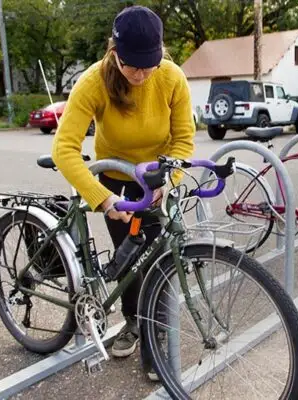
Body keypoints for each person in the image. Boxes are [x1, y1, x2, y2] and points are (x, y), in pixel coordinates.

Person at [51, 5, 195, 380]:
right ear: (114, 52)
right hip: (114, 182)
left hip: (158, 180)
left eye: (150, 63)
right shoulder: (93, 82)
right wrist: (102, 198)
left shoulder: (171, 77)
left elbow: (184, 139)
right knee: (130, 262)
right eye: (133, 65)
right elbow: (63, 149)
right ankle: (134, 321)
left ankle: (156, 336)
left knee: (160, 257)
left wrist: (171, 181)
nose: (142, 74)